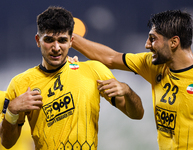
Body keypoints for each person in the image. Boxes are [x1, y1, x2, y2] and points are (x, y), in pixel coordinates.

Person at [0, 6, 144, 150]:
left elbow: (137, 114)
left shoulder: (94, 71)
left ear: (71, 41)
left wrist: (128, 91)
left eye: (62, 40)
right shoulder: (21, 84)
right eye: (49, 40)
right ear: (38, 40)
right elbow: (7, 143)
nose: (56, 47)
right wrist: (12, 111)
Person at [72, 10, 193, 150]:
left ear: (174, 42)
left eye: (153, 38)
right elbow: (110, 58)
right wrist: (68, 37)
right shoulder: (153, 65)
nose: (147, 45)